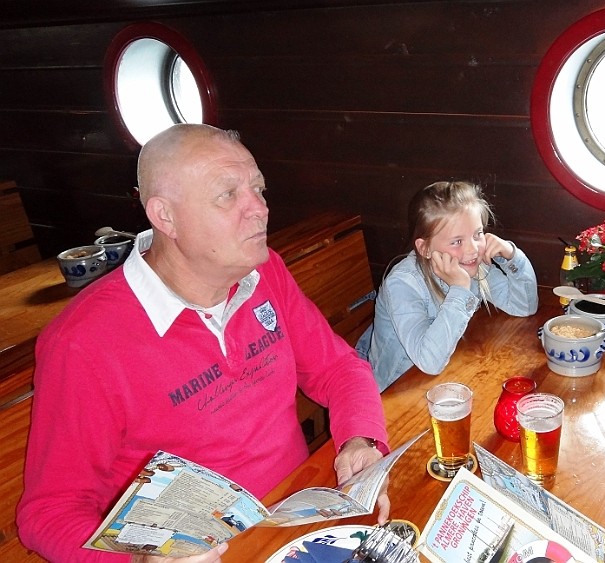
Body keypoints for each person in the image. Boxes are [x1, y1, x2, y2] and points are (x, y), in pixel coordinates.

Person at [16, 124, 390, 562]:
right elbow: (48, 512)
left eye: (258, 189)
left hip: (299, 519)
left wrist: (360, 440)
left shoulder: (263, 271)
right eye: (227, 195)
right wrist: (140, 559)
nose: (259, 209)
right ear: (165, 217)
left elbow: (338, 367)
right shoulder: (83, 342)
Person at [356, 181, 538, 391]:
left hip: (446, 373)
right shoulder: (402, 284)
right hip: (393, 390)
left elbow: (523, 306)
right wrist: (460, 290)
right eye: (457, 241)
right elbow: (429, 362)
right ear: (425, 248)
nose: (472, 249)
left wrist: (512, 256)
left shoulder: (471, 264)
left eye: (477, 234)